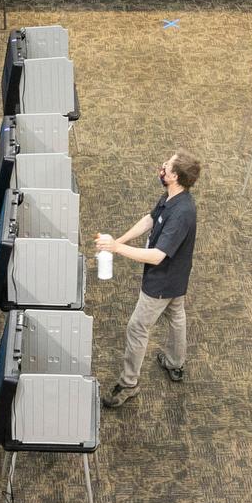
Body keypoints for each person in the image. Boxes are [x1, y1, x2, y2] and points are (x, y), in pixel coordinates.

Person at [97, 151, 200, 409]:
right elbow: (150, 219)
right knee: (176, 316)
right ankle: (176, 363)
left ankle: (129, 383)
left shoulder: (181, 213)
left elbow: (156, 257)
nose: (162, 167)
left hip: (161, 283)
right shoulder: (173, 197)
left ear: (174, 176)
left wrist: (117, 250)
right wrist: (117, 241)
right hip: (178, 276)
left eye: (166, 165)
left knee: (137, 328)